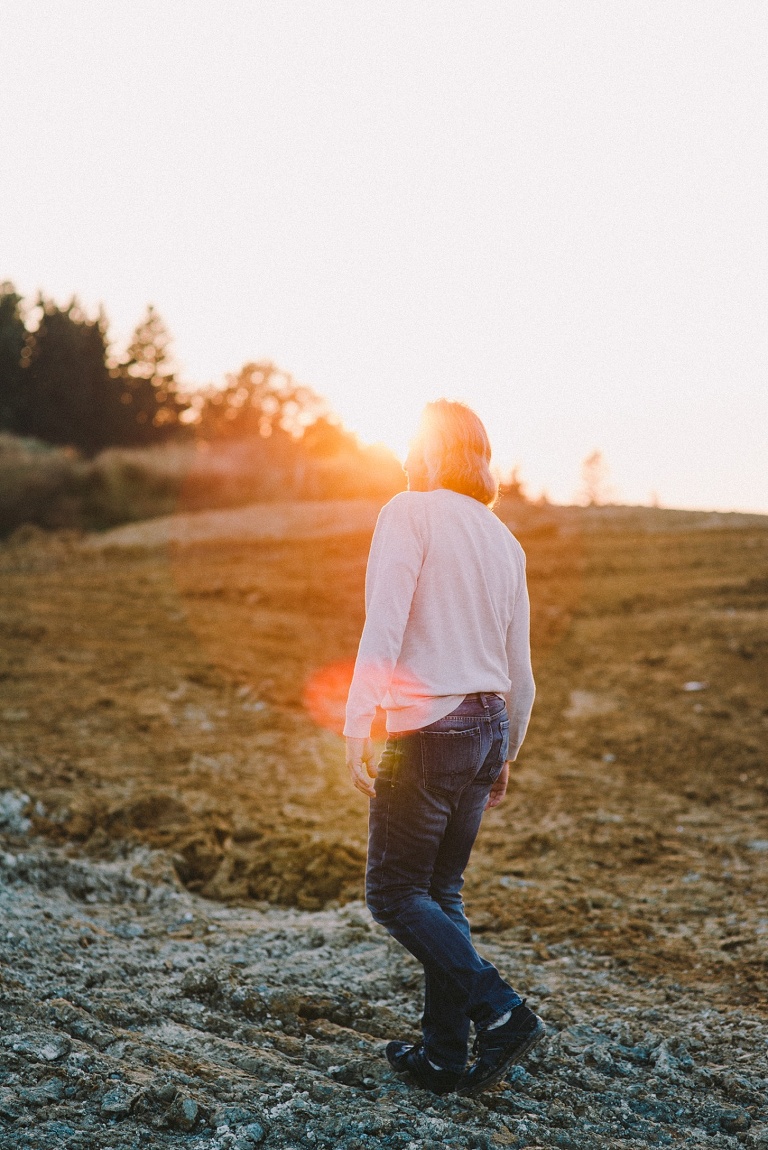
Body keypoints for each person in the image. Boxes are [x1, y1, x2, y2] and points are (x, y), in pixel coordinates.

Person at [344, 399, 543, 1096]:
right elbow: (523, 673)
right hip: (487, 726)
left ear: (432, 452)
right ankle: (443, 1057)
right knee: (440, 893)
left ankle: (502, 1010)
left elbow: (385, 626)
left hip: (429, 730)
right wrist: (506, 750)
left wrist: (357, 722)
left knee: (394, 894)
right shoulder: (504, 540)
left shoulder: (410, 510)